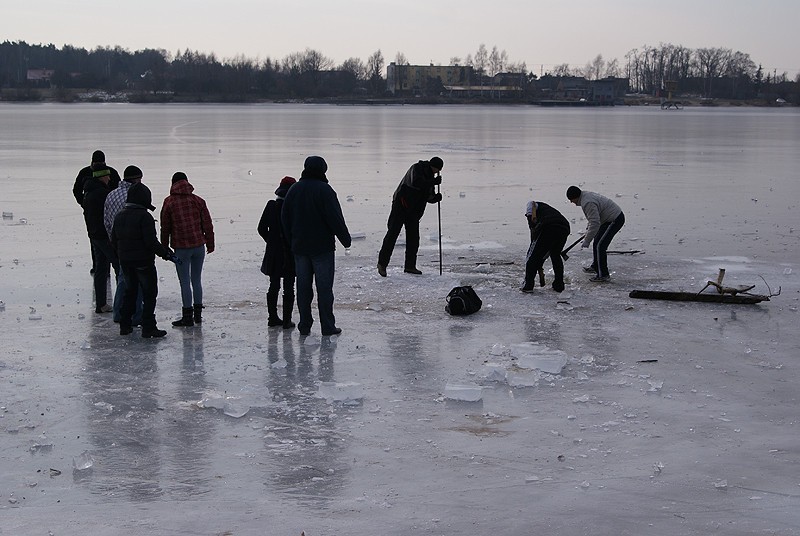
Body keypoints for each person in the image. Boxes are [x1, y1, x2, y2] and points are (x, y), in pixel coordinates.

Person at [281, 156, 351, 336]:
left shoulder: (294, 190)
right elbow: (334, 218)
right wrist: (346, 239)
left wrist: (292, 241)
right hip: (322, 249)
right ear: (323, 170)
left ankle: (305, 325)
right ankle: (327, 326)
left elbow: (285, 219)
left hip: (300, 248)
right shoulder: (325, 190)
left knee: (303, 288)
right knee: (324, 289)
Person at [111, 183, 175, 338]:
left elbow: (113, 240)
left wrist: (121, 255)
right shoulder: (144, 217)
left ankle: (125, 325)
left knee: (130, 292)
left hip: (125, 262)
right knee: (149, 294)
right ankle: (148, 327)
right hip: (143, 263)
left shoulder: (119, 216)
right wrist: (166, 253)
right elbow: (150, 242)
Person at [160, 172, 215, 327]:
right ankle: (198, 315)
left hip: (181, 248)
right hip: (199, 246)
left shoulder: (169, 202)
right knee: (196, 280)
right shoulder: (198, 200)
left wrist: (164, 249)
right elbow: (207, 224)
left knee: (184, 282)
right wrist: (210, 244)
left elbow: (165, 228)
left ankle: (187, 316)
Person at [377, 157, 443, 276]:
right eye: (436, 169)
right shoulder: (417, 168)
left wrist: (436, 198)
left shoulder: (430, 179)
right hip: (401, 205)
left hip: (413, 211)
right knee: (392, 234)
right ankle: (382, 264)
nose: (436, 172)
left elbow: (429, 196)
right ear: (432, 165)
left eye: (438, 171)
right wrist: (433, 182)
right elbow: (416, 182)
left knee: (413, 239)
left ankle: (410, 266)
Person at [104, 165, 145, 325]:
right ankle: (135, 313)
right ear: (136, 179)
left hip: (117, 243)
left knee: (122, 278)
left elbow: (106, 221)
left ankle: (117, 312)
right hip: (134, 246)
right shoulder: (134, 195)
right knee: (137, 280)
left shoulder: (111, 195)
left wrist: (113, 240)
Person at [73, 150, 121, 275]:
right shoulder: (85, 173)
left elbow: (119, 190)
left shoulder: (111, 172)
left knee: (101, 239)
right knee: (97, 239)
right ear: (92, 162)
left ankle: (102, 266)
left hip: (105, 212)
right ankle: (100, 266)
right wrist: (84, 203)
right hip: (92, 212)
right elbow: (76, 190)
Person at [258, 176, 297, 329]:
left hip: (274, 254)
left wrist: (272, 242)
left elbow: (261, 228)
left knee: (274, 285)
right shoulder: (294, 207)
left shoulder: (271, 205)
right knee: (289, 287)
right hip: (289, 253)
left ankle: (272, 317)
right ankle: (287, 320)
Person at [566, 186, 625, 282]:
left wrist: (587, 240)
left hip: (614, 219)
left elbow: (595, 222)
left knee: (600, 245)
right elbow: (592, 218)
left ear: (575, 197)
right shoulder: (584, 197)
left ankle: (603, 275)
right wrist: (588, 230)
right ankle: (596, 266)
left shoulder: (587, 202)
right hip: (606, 220)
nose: (571, 202)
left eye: (571, 200)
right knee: (597, 242)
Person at [81, 166, 118, 313]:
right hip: (104, 236)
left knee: (100, 269)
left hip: (94, 235)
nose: (109, 179)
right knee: (119, 266)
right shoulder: (102, 194)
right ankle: (122, 304)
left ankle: (101, 304)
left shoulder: (88, 192)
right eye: (107, 176)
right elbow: (108, 216)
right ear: (101, 176)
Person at [521, 199, 570, 293]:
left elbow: (533, 229)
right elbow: (545, 249)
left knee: (531, 257)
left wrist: (535, 250)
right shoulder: (545, 208)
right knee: (555, 255)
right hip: (564, 227)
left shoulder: (531, 205)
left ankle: (528, 285)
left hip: (549, 226)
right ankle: (559, 285)